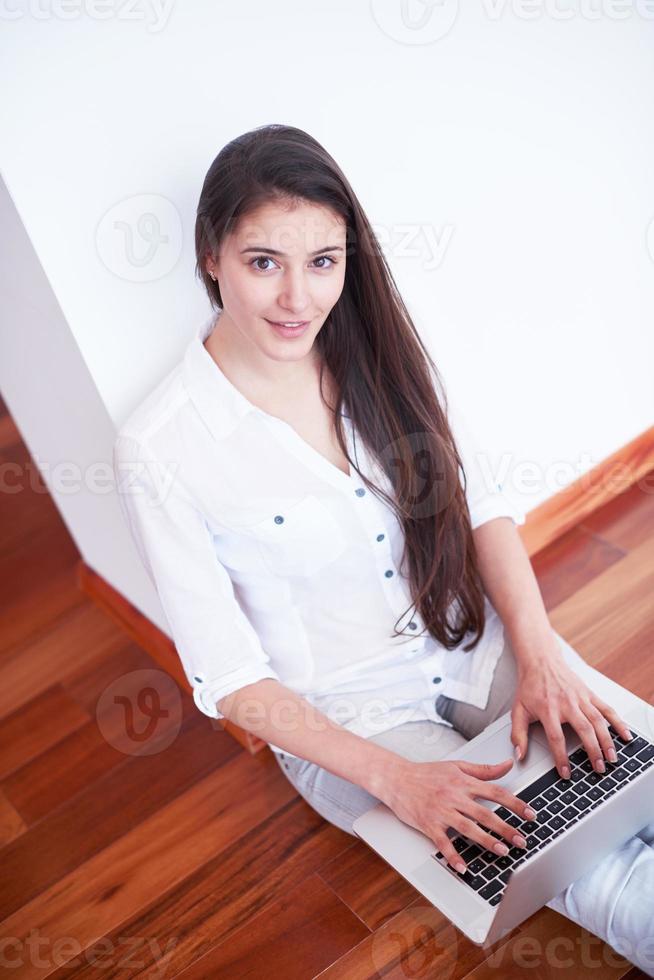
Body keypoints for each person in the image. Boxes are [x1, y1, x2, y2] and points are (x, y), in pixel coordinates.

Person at [113, 124, 654, 975]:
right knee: (589, 869)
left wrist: (544, 657)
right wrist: (398, 782)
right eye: (264, 262)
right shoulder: (162, 446)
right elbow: (228, 680)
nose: (298, 297)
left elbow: (484, 508)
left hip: (475, 645)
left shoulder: (381, 349)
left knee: (632, 778)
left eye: (323, 261)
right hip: (355, 722)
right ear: (210, 256)